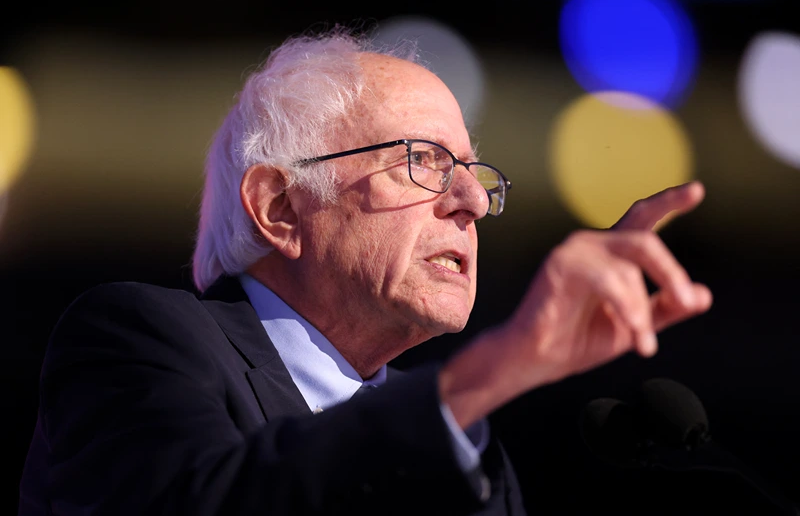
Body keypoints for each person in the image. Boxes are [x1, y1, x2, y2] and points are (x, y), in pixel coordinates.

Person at [18, 25, 712, 515]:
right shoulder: (136, 340)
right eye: (424, 160)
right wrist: (496, 367)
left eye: (472, 170)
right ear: (280, 207)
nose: (473, 200)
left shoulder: (462, 439)